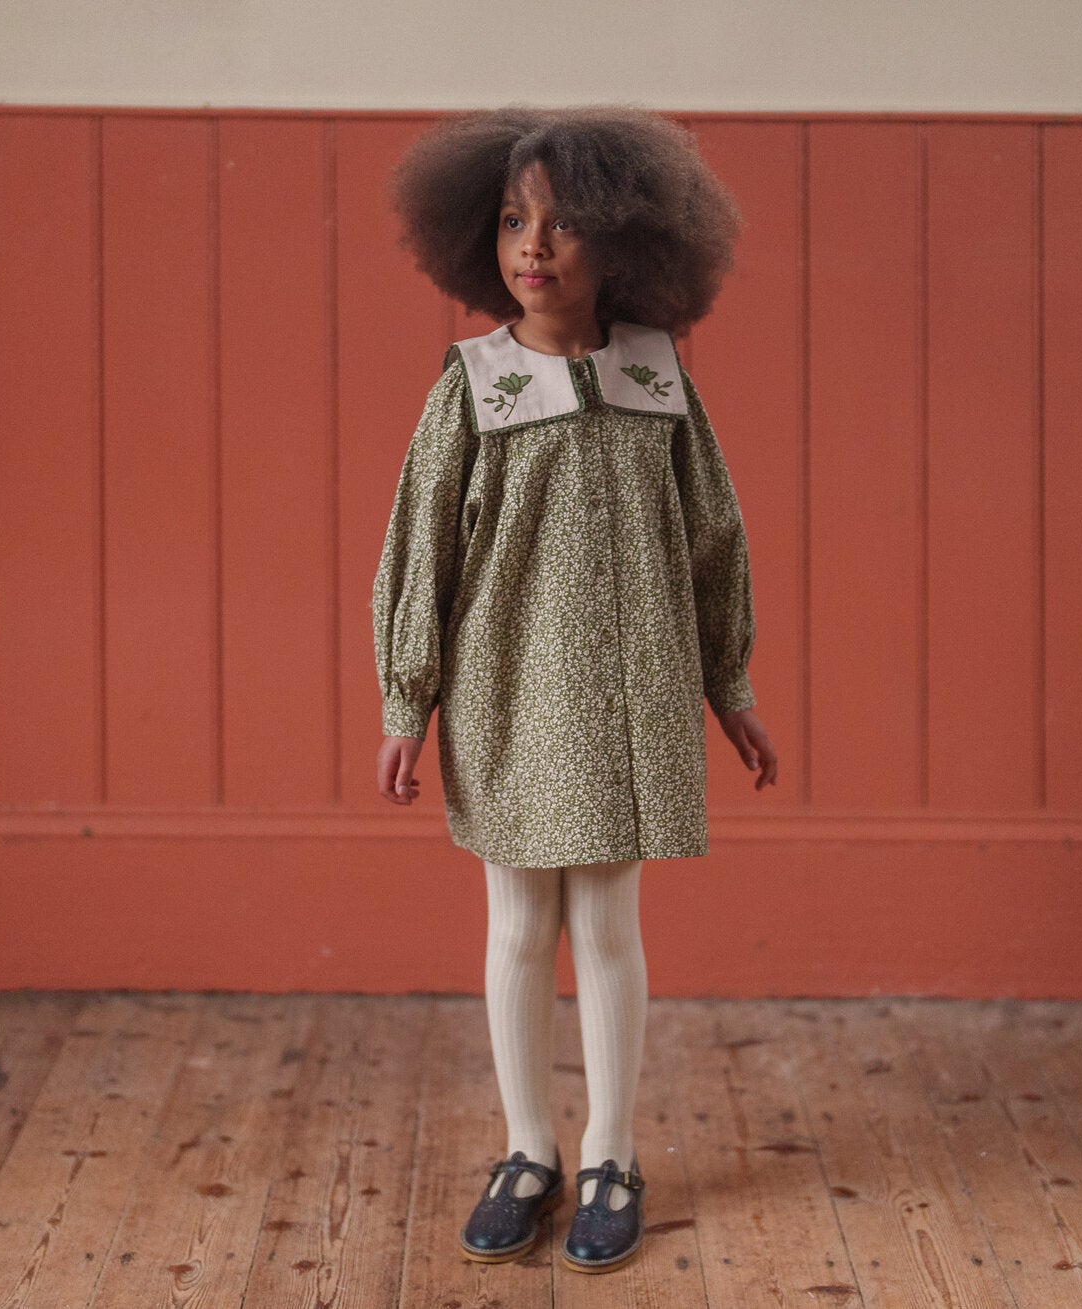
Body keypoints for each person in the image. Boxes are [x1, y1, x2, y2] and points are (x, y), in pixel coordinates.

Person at [371, 105, 780, 1275]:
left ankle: (610, 1151)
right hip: (507, 691)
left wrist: (730, 683)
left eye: (562, 224)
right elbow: (421, 546)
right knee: (516, 925)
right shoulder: (475, 385)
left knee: (606, 925)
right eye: (512, 221)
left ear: (628, 239)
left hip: (634, 697)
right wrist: (407, 698)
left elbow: (711, 537)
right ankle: (527, 1149)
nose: (533, 247)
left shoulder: (656, 379)